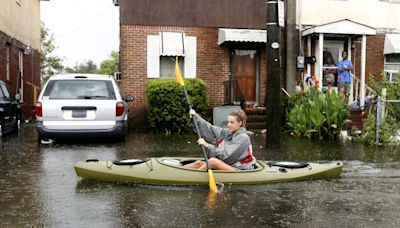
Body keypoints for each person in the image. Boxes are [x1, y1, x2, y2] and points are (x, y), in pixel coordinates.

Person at [184, 109, 257, 171]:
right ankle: (179, 171)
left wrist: (207, 145)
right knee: (198, 163)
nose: (229, 125)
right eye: (228, 122)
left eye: (232, 122)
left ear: (240, 123)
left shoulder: (243, 138)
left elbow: (226, 156)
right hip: (229, 165)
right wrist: (195, 117)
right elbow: (210, 129)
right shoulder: (226, 133)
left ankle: (194, 176)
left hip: (240, 169)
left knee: (212, 161)